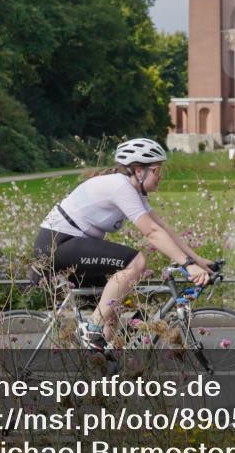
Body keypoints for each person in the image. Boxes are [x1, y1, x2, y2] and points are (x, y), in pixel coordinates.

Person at [31, 138, 213, 352]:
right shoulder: (120, 186)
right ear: (139, 171)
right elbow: (151, 233)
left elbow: (162, 228)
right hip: (57, 244)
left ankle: (101, 371)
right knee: (136, 262)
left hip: (72, 245)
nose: (160, 175)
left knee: (112, 311)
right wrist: (188, 266)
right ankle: (92, 329)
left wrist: (199, 261)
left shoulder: (133, 190)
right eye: (156, 170)